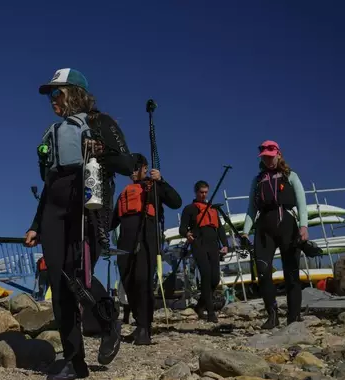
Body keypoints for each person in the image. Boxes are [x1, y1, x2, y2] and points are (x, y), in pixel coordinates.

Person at [24, 68, 136, 380]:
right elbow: (48, 183)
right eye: (50, 94)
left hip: (89, 207)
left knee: (78, 277)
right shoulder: (53, 132)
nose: (52, 100)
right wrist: (35, 225)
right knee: (58, 282)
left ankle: (107, 319)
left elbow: (127, 163)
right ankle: (75, 361)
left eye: (56, 93)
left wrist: (100, 150)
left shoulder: (100, 122)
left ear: (75, 92)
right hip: (53, 210)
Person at [111, 153, 182, 345]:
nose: (133, 173)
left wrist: (162, 181)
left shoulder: (154, 187)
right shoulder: (124, 193)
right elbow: (111, 221)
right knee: (128, 282)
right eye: (131, 169)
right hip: (125, 243)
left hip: (146, 238)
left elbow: (176, 202)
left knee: (143, 281)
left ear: (145, 168)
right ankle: (139, 323)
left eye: (137, 168)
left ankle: (144, 327)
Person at [241, 140, 308, 329]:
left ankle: (293, 318)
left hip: (288, 225)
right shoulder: (257, 180)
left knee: (291, 272)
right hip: (264, 229)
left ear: (278, 154)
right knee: (262, 271)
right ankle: (272, 315)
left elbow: (302, 203)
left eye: (271, 156)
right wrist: (245, 232)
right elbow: (251, 209)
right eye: (265, 157)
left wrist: (303, 227)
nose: (269, 160)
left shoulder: (290, 176)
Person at [179, 180, 229, 322]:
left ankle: (200, 306)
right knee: (206, 275)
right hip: (198, 244)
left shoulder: (213, 208)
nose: (204, 195)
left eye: (206, 192)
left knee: (215, 278)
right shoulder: (189, 209)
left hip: (213, 245)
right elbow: (182, 228)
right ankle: (211, 312)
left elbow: (219, 228)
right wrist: (187, 234)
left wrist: (225, 244)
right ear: (196, 192)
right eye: (201, 192)